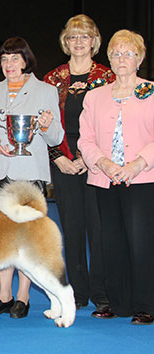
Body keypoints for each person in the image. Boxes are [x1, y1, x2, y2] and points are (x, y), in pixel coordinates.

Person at [0, 37, 63, 319]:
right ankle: (4, 295)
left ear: (26, 61)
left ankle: (23, 296)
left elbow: (56, 136)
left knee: (26, 238)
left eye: (15, 58)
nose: (9, 64)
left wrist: (47, 125)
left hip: (29, 174)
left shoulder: (45, 91)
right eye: (4, 59)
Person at [78, 29, 154, 325]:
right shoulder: (95, 96)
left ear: (141, 58)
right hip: (104, 178)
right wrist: (104, 164)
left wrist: (137, 164)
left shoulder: (152, 92)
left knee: (141, 241)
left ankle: (145, 304)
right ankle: (117, 302)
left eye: (129, 53)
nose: (122, 59)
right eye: (116, 54)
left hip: (143, 179)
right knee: (110, 241)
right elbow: (86, 140)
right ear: (108, 58)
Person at [44, 14, 115, 313]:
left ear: (94, 41)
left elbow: (114, 122)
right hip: (63, 161)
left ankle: (103, 292)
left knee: (99, 229)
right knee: (71, 228)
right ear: (65, 42)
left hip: (97, 159)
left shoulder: (108, 77)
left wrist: (90, 156)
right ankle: (77, 291)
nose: (78, 42)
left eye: (84, 37)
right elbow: (42, 125)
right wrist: (58, 157)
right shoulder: (51, 79)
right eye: (72, 37)